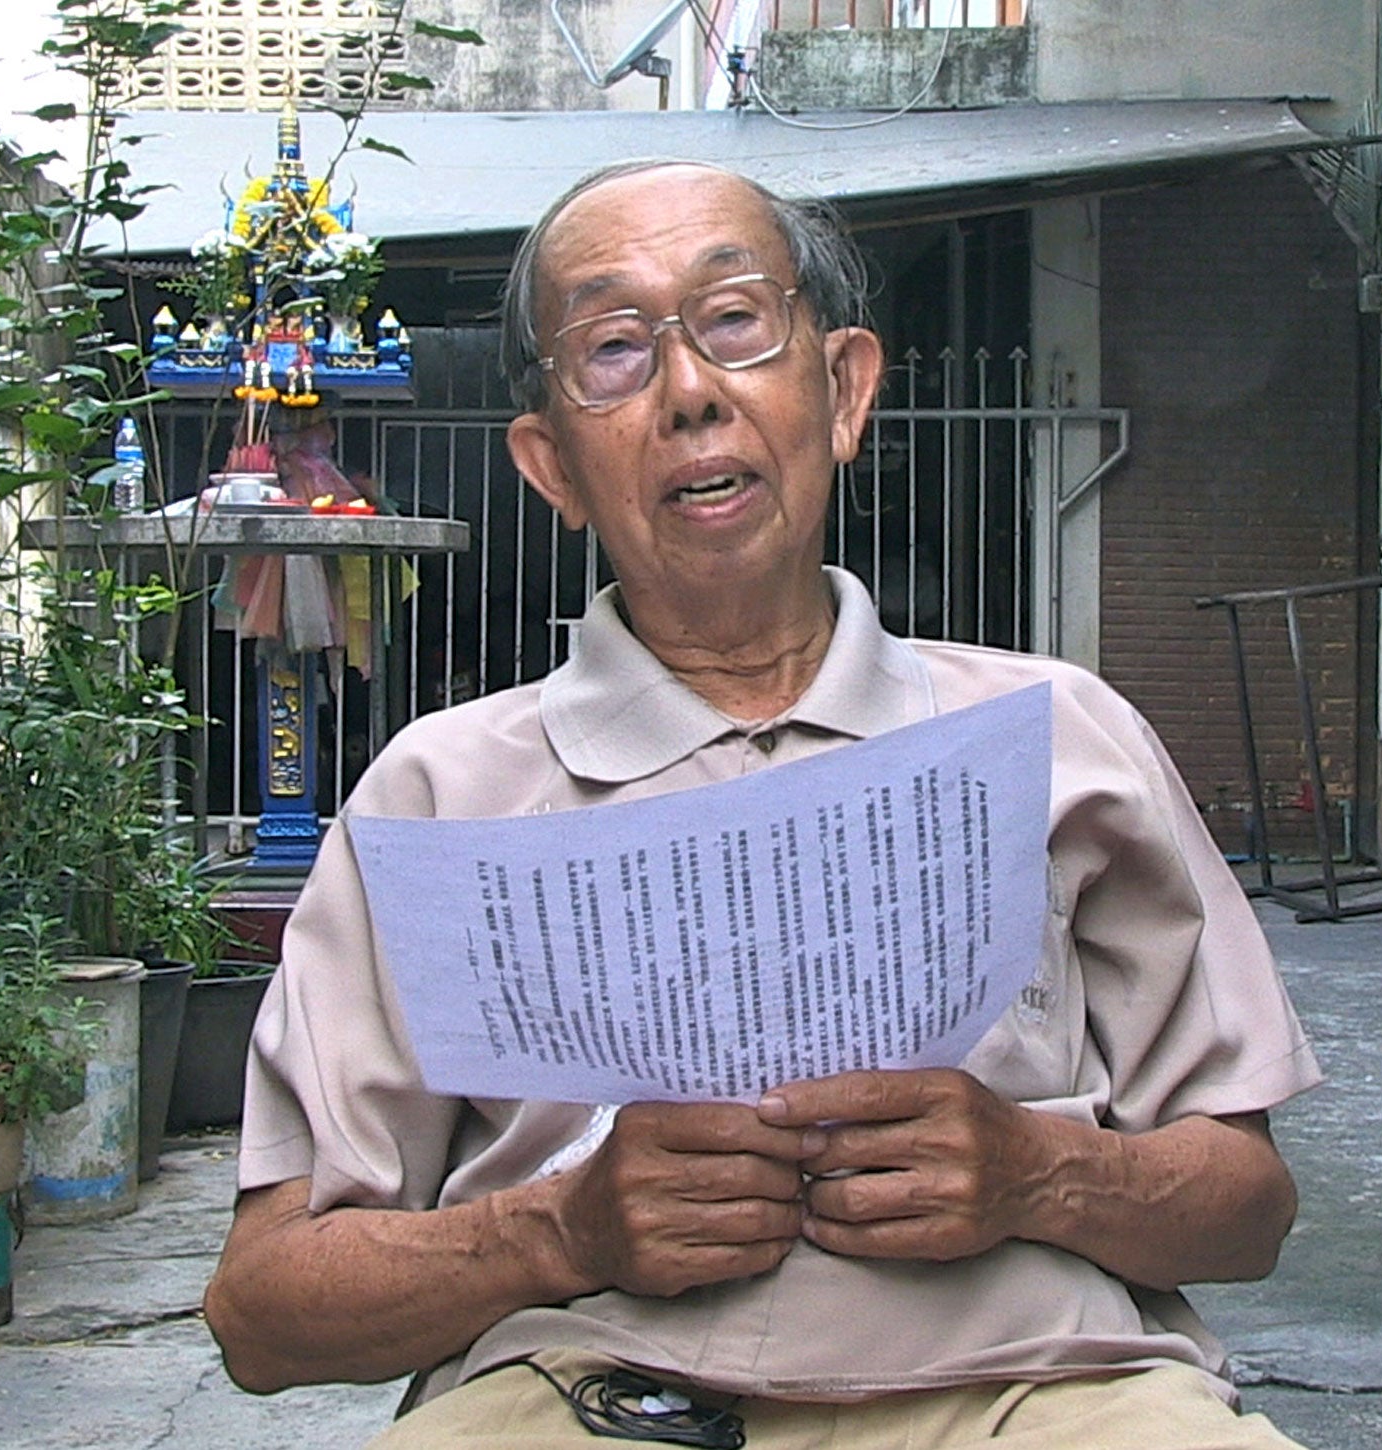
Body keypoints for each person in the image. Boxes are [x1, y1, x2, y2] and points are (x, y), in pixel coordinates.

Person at [204, 159, 1324, 1450]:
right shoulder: (438, 795)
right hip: (589, 1391)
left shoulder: (1062, 737)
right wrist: (560, 1226)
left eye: (736, 321)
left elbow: (1248, 1208)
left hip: (1044, 1386)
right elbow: (261, 1309)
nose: (689, 392)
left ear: (843, 389)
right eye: (615, 348)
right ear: (550, 464)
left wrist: (1035, 1170)